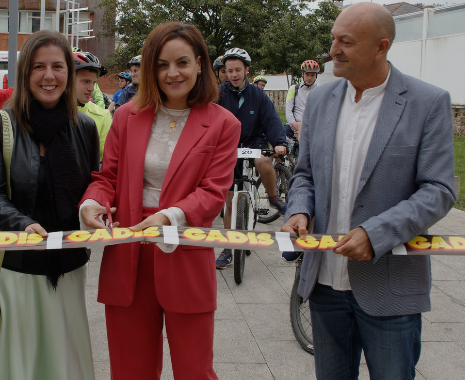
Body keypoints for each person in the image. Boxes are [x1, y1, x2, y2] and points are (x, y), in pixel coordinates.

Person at [281, 4, 456, 379]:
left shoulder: (427, 103)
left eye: (346, 42)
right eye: (333, 40)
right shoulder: (320, 102)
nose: (333, 51)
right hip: (324, 283)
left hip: (389, 286)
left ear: (381, 46)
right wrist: (298, 210)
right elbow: (305, 174)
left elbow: (439, 190)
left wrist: (376, 234)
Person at [80, 22, 240, 379]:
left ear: (200, 64)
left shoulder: (223, 124)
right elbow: (107, 178)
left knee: (194, 370)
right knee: (129, 369)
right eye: (162, 64)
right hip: (129, 255)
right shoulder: (126, 116)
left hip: (184, 252)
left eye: (182, 62)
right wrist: (91, 203)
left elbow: (214, 192)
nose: (172, 73)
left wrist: (169, 217)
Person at [0, 30, 99, 380]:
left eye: (58, 66)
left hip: (67, 267)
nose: (49, 76)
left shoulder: (85, 127)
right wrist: (22, 224)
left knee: (62, 357)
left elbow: (95, 187)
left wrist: (96, 207)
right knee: (15, 359)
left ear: (68, 74)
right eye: (39, 66)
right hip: (12, 265)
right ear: (25, 73)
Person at [215, 47, 287, 269]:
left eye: (238, 69)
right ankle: (228, 247)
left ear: (247, 70)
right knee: (229, 200)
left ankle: (273, 197)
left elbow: (272, 120)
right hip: (229, 146)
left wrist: (280, 142)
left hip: (254, 141)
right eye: (229, 70)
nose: (233, 74)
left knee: (265, 161)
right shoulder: (219, 94)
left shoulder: (259, 96)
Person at [74, 51, 112, 159]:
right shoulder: (50, 108)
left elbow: (107, 159)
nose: (91, 88)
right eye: (86, 81)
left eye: (94, 83)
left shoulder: (102, 115)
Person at [285, 60, 319, 142]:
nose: (309, 78)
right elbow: (288, 110)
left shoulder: (320, 90)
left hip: (312, 126)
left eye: (312, 75)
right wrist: (295, 128)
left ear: (316, 75)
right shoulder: (294, 89)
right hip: (294, 125)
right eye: (307, 74)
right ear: (303, 74)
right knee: (277, 140)